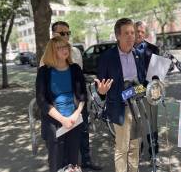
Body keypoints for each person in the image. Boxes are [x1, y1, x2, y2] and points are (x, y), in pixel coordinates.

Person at [40, 21, 102, 170]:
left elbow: (78, 76)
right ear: (53, 35)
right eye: (62, 33)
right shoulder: (46, 60)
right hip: (59, 110)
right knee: (61, 146)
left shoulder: (75, 52)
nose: (66, 36)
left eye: (68, 33)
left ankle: (86, 162)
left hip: (78, 103)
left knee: (83, 133)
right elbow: (44, 94)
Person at [95, 18, 146, 172]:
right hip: (119, 107)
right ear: (118, 36)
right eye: (126, 33)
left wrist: (141, 89)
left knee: (135, 145)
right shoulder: (107, 57)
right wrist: (101, 93)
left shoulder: (138, 54)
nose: (131, 36)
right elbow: (101, 88)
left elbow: (143, 82)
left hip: (137, 106)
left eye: (132, 33)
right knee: (122, 147)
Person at [36, 36, 86, 172]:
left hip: (74, 121)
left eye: (66, 47)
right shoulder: (44, 72)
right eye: (60, 47)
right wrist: (63, 119)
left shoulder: (75, 69)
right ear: (52, 51)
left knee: (73, 163)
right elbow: (41, 100)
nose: (65, 50)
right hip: (54, 124)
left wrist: (75, 115)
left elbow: (82, 95)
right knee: (57, 163)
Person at [134, 21, 160, 161]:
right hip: (135, 90)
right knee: (138, 123)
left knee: (152, 123)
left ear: (145, 33)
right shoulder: (127, 49)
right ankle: (139, 148)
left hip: (151, 90)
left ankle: (154, 152)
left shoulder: (153, 49)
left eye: (142, 32)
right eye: (136, 31)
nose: (139, 34)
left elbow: (157, 74)